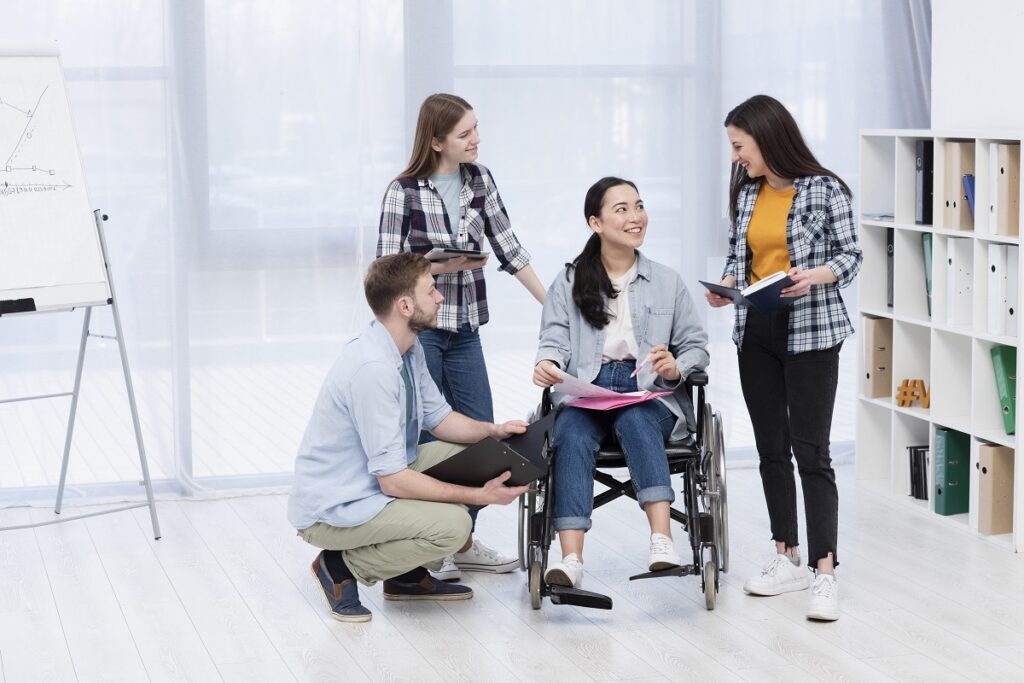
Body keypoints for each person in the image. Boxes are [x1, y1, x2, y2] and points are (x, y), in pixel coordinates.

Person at [287, 252, 530, 623]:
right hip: (336, 506)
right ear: (404, 305)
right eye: (431, 290)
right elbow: (393, 479)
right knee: (453, 525)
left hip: (373, 479)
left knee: (477, 458)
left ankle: (406, 576)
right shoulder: (373, 369)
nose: (440, 298)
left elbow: (439, 417)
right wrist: (478, 497)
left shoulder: (407, 348)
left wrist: (493, 432)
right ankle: (339, 567)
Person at [706, 94, 862, 621]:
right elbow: (738, 254)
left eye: (739, 145)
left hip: (813, 330)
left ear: (767, 138)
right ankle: (785, 556)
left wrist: (813, 277)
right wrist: (726, 284)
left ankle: (825, 571)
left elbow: (851, 254)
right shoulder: (748, 193)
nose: (735, 157)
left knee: (811, 451)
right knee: (771, 449)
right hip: (758, 328)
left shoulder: (825, 189)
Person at [377, 93, 546, 581]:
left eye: (476, 129)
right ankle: (437, 543)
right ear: (436, 141)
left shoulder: (480, 180)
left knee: (483, 435)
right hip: (422, 334)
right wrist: (439, 265)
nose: (476, 140)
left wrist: (555, 304)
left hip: (466, 328)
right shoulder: (403, 192)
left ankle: (461, 539)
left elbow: (510, 248)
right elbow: (387, 269)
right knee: (431, 436)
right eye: (464, 133)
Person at [532, 176, 709, 589]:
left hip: (647, 389)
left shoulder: (667, 281)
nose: (636, 217)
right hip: (588, 390)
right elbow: (553, 339)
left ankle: (662, 540)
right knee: (571, 434)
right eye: (622, 209)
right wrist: (548, 363)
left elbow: (697, 348)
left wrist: (673, 367)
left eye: (639, 206)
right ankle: (571, 559)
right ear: (596, 222)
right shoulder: (570, 280)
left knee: (636, 420)